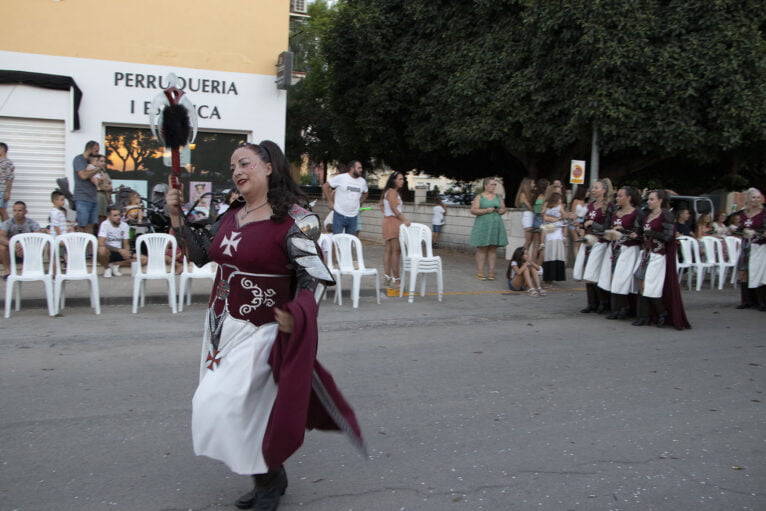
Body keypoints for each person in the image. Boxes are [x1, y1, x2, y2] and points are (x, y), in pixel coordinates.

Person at [166, 141, 365, 511]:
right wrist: (176, 217)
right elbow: (198, 254)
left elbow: (315, 277)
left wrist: (298, 311)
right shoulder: (230, 215)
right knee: (247, 411)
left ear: (269, 167)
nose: (237, 171)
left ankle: (269, 481)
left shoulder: (295, 219)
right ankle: (269, 478)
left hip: (262, 330)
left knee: (221, 404)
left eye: (245, 163)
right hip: (219, 328)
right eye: (233, 167)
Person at [632, 190, 691, 329]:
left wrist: (651, 233)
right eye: (648, 199)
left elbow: (668, 236)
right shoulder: (647, 215)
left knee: (651, 286)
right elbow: (642, 231)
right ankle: (644, 316)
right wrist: (638, 234)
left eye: (652, 199)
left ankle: (662, 313)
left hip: (658, 254)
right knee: (640, 280)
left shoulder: (666, 215)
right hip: (646, 253)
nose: (649, 201)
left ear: (660, 200)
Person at [603, 186, 644, 320]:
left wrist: (624, 230)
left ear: (628, 198)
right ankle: (618, 308)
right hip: (614, 248)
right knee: (613, 277)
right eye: (617, 196)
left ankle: (623, 308)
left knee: (622, 278)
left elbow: (638, 233)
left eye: (620, 196)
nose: (617, 199)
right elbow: (608, 227)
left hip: (629, 249)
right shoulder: (615, 212)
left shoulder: (636, 213)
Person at [572, 179, 613, 313]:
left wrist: (592, 224)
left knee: (594, 271)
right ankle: (591, 303)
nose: (593, 190)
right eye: (593, 188)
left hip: (600, 242)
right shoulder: (590, 205)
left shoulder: (609, 206)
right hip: (588, 241)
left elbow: (607, 227)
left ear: (604, 190)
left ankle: (603, 302)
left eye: (596, 187)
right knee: (586, 271)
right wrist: (581, 225)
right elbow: (583, 221)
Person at [469, 177, 508, 280]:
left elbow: (504, 209)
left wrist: (501, 211)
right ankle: (480, 272)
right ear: (485, 186)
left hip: (495, 225)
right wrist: (486, 210)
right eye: (491, 184)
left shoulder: (498, 197)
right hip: (483, 224)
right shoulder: (479, 197)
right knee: (482, 248)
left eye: (495, 184)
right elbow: (473, 210)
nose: (493, 186)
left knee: (492, 249)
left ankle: (491, 272)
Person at [733, 188, 765, 311]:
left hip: (759, 246)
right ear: (748, 199)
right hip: (746, 245)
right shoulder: (743, 213)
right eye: (753, 197)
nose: (756, 200)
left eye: (758, 197)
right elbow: (740, 228)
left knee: (758, 272)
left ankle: (760, 301)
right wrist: (738, 231)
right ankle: (746, 300)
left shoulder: (763, 213)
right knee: (743, 271)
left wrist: (755, 233)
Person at [0, 201, 45, 279]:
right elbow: (1, 236)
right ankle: (8, 271)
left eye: (20, 210)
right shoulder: (7, 223)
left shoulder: (32, 223)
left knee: (40, 245)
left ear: (25, 212)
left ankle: (33, 269)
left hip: (27, 250)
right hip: (12, 250)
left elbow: (39, 236)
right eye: (14, 210)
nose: (17, 213)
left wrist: (23, 245)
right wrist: (14, 244)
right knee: (2, 247)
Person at [322, 160, 368, 234]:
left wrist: (359, 202)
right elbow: (325, 186)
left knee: (350, 240)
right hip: (339, 214)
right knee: (337, 239)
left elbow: (366, 193)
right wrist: (330, 201)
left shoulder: (362, 182)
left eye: (361, 168)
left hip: (353, 216)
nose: (361, 170)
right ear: (352, 168)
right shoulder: (341, 178)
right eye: (359, 168)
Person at [381, 171, 410, 285]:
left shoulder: (387, 192)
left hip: (388, 220)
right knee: (396, 251)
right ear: (394, 180)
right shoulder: (392, 192)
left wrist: (386, 215)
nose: (402, 181)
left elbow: (381, 205)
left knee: (389, 250)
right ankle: (396, 278)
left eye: (402, 179)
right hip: (393, 221)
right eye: (400, 179)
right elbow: (394, 208)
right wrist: (404, 220)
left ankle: (387, 276)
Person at [97, 206, 140, 278]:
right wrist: (119, 250)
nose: (118, 217)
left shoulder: (125, 225)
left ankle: (115, 264)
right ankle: (107, 268)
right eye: (115, 215)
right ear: (109, 217)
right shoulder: (105, 224)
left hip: (120, 252)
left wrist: (126, 252)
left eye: (119, 215)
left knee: (143, 259)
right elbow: (101, 243)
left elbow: (126, 243)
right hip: (109, 252)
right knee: (101, 249)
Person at [73, 140, 101, 234]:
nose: (97, 154)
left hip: (93, 197)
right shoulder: (79, 159)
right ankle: (81, 247)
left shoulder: (94, 163)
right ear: (89, 149)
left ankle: (90, 248)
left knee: (91, 226)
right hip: (82, 198)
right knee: (82, 225)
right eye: (96, 151)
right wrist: (97, 170)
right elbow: (83, 175)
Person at [541, 192, 566, 286]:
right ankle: (547, 277)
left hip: (557, 232)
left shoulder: (560, 206)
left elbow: (563, 216)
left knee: (556, 253)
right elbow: (544, 216)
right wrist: (555, 219)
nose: (560, 200)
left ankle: (554, 276)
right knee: (549, 253)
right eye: (559, 199)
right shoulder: (547, 205)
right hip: (549, 231)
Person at [514, 178, 535, 252]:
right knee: (528, 240)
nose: (534, 185)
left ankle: (526, 256)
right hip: (528, 216)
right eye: (532, 183)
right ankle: (521, 255)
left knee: (530, 241)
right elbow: (529, 206)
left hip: (530, 216)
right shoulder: (523, 195)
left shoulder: (529, 194)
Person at [568, 185, 588, 258]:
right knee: (576, 241)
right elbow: (573, 213)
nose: (588, 193)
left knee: (581, 242)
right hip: (574, 221)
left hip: (581, 221)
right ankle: (577, 259)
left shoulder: (585, 202)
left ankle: (580, 258)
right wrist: (576, 224)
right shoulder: (575, 201)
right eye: (587, 191)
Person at [94, 154, 113, 224]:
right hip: (99, 197)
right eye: (101, 161)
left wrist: (109, 187)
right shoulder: (94, 173)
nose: (103, 163)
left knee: (105, 218)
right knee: (100, 218)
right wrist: (103, 187)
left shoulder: (105, 173)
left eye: (104, 161)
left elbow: (109, 184)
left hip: (106, 197)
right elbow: (96, 186)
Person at [0, 142, 15, 222]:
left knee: (2, 210)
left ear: (2, 149)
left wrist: (7, 192)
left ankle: (7, 229)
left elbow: (10, 178)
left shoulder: (8, 162)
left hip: (2, 190)